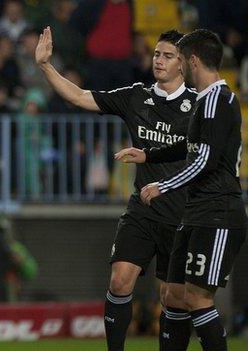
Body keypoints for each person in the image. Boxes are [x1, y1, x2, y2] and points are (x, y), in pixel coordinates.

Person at [35, 27, 197, 351]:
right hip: (143, 209)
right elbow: (80, 96)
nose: (159, 61)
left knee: (173, 297)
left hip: (183, 213)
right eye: (156, 54)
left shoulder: (199, 106)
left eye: (168, 56)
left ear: (183, 64)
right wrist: (45, 66)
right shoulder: (137, 96)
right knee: (120, 280)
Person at [115, 29, 247, 351]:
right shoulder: (205, 100)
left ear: (192, 60)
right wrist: (149, 155)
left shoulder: (217, 99)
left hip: (218, 212)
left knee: (198, 298)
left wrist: (163, 184)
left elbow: (204, 159)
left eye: (180, 59)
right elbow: (187, 147)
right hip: (196, 211)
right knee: (173, 295)